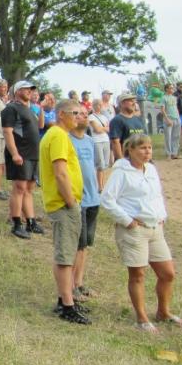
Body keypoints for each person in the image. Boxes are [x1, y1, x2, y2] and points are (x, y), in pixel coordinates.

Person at [100, 133, 182, 333]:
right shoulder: (122, 171)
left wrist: (162, 215)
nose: (147, 152)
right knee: (138, 274)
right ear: (130, 150)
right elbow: (107, 199)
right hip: (135, 230)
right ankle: (142, 318)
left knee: (167, 273)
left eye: (149, 148)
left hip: (155, 228)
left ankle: (163, 312)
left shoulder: (151, 169)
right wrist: (127, 220)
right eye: (142, 148)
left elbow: (157, 195)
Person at [39, 100, 90, 324]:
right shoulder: (58, 135)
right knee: (65, 257)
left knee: (66, 254)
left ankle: (65, 298)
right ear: (61, 114)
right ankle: (67, 306)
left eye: (80, 113)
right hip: (63, 204)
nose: (78, 117)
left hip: (62, 203)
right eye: (74, 113)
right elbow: (60, 172)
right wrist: (70, 202)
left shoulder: (57, 135)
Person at [2, 80, 43, 238]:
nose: (29, 91)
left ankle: (31, 222)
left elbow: (39, 126)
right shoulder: (11, 108)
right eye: (26, 89)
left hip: (33, 154)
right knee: (19, 188)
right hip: (21, 154)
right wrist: (14, 153)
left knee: (29, 189)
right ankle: (17, 224)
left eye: (31, 89)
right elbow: (7, 131)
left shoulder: (29, 109)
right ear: (17, 91)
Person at [69, 106, 101, 303]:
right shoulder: (66, 140)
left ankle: (79, 283)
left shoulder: (90, 141)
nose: (84, 116)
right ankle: (70, 286)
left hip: (93, 198)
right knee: (76, 244)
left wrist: (98, 190)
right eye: (78, 113)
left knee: (85, 244)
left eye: (85, 113)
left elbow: (97, 167)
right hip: (77, 199)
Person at [108, 93, 145, 161]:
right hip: (127, 160)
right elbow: (115, 142)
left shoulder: (138, 120)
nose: (134, 103)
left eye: (134, 101)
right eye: (130, 101)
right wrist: (121, 161)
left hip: (140, 159)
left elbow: (145, 139)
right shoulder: (117, 120)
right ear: (122, 103)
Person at [88, 99, 111, 191]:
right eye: (98, 104)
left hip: (106, 140)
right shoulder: (91, 117)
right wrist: (104, 128)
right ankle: (100, 187)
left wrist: (102, 128)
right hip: (97, 141)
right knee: (100, 164)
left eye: (101, 104)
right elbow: (97, 130)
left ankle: (103, 184)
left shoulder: (104, 117)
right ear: (94, 105)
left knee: (105, 164)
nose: (100, 106)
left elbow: (108, 129)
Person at [160, 84, 181, 160]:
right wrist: (167, 119)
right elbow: (162, 110)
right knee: (168, 137)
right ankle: (168, 154)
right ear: (166, 89)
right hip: (169, 118)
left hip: (176, 118)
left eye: (173, 88)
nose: (172, 89)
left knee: (176, 136)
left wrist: (178, 116)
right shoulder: (163, 98)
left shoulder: (174, 98)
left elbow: (175, 108)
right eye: (170, 88)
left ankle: (174, 153)